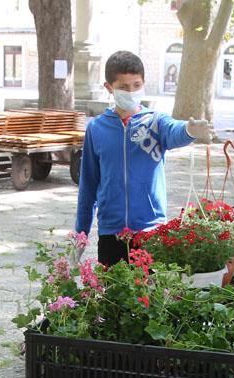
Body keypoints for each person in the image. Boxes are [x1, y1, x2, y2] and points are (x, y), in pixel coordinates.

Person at [74, 50, 213, 267]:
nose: (131, 92)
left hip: (151, 230)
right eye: (123, 87)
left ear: (144, 82)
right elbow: (88, 186)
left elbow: (174, 132)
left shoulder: (155, 122)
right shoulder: (96, 128)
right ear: (109, 87)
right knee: (112, 296)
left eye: (136, 85)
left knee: (150, 298)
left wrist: (189, 130)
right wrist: (80, 235)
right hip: (111, 232)